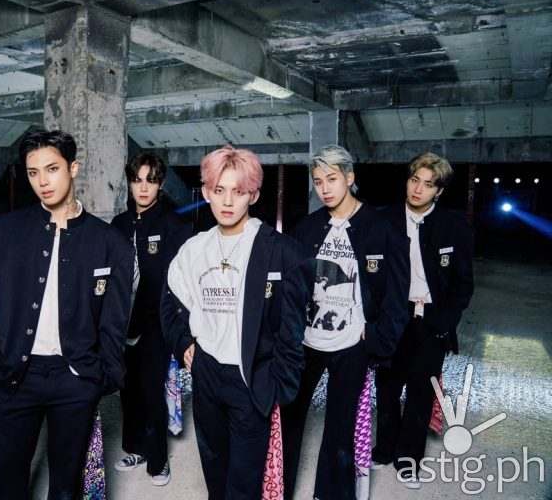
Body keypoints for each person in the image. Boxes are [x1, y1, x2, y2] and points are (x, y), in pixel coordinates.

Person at [0, 130, 135, 500]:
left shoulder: (109, 242)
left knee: (66, 486)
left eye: (52, 169)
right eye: (33, 172)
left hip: (75, 378)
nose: (42, 181)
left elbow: (114, 321)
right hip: (13, 376)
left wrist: (103, 376)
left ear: (73, 168)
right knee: (5, 484)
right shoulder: (1, 233)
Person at [162, 145, 308, 500]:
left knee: (244, 481)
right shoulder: (194, 249)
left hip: (252, 376)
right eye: (219, 190)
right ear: (207, 192)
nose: (227, 201)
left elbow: (293, 327)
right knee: (215, 470)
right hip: (207, 373)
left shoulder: (281, 251)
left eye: (238, 191)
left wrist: (277, 385)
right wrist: (184, 345)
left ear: (253, 195)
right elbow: (169, 303)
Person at [281, 145, 409, 500]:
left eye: (332, 179)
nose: (324, 188)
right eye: (318, 181)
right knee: (289, 416)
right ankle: (279, 490)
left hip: (352, 344)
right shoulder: (307, 228)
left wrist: (378, 338)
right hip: (306, 340)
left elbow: (397, 294)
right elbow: (289, 285)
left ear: (350, 178)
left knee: (340, 427)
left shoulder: (382, 228)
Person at [372, 152, 474, 489]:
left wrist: (444, 322)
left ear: (439, 191)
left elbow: (463, 283)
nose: (418, 189)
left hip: (430, 321)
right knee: (387, 389)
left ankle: (408, 461)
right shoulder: (384, 220)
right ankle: (384, 449)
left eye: (428, 185)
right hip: (393, 317)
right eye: (414, 180)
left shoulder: (453, 225)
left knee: (420, 393)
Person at [111, 153, 192, 486]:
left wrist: (180, 330)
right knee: (127, 389)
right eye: (137, 180)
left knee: (152, 390)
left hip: (157, 323)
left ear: (160, 184)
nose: (143, 188)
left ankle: (158, 460)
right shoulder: (118, 224)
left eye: (151, 180)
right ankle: (135, 448)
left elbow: (180, 283)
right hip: (122, 322)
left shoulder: (174, 225)